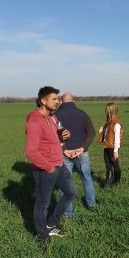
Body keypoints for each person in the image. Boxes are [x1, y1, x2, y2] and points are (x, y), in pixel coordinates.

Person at [25, 86, 77, 242]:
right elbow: (30, 151)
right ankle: (42, 237)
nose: (58, 101)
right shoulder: (35, 122)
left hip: (59, 164)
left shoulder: (53, 118)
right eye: (54, 99)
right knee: (42, 205)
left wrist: (63, 135)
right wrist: (49, 168)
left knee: (71, 192)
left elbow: (55, 136)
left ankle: (51, 224)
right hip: (45, 169)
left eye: (58, 98)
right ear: (43, 100)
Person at [54, 92, 96, 218]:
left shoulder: (55, 116)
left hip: (64, 154)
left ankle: (67, 213)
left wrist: (64, 149)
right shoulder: (83, 114)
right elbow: (92, 133)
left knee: (65, 183)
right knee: (87, 179)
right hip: (81, 153)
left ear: (61, 102)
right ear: (74, 101)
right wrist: (82, 148)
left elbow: (52, 137)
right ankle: (92, 206)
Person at [97, 102, 124, 188]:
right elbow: (108, 132)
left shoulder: (116, 124)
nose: (105, 111)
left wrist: (116, 151)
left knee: (115, 165)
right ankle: (107, 184)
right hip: (107, 147)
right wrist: (103, 128)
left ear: (111, 111)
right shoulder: (109, 122)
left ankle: (116, 182)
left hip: (112, 148)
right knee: (108, 165)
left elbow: (117, 139)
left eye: (107, 110)